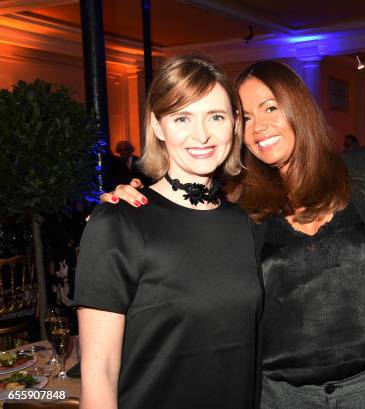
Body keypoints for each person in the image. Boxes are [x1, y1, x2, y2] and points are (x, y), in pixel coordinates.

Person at [107, 60, 365, 409]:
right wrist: (132, 206)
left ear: (297, 106)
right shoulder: (236, 203)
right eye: (246, 117)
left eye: (270, 108)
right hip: (277, 398)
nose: (259, 127)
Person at [75, 55, 263, 409]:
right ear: (159, 127)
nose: (202, 134)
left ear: (235, 124)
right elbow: (100, 372)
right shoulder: (120, 222)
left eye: (216, 117)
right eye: (182, 118)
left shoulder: (246, 223)